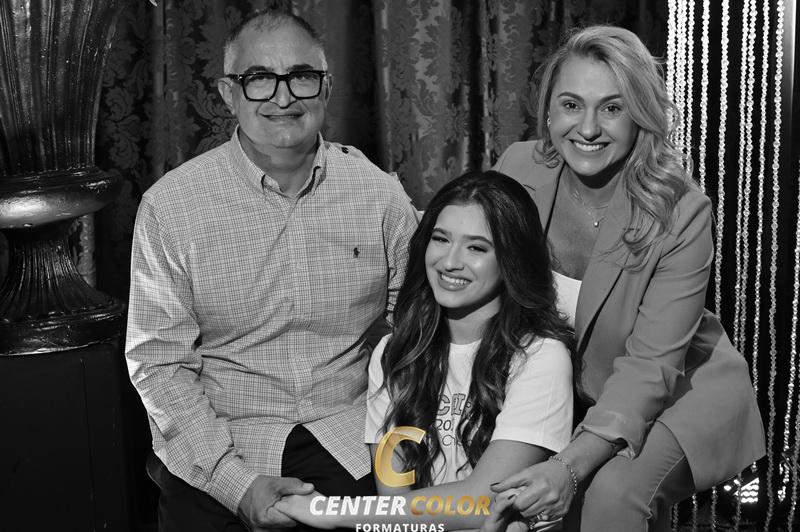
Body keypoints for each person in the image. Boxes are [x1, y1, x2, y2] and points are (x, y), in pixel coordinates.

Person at [124, 10, 418, 532]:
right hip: (220, 443)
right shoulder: (171, 208)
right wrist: (235, 483)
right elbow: (159, 365)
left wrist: (399, 430)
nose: (283, 98)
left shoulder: (379, 195)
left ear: (326, 87)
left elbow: (417, 327)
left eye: (301, 76)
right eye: (259, 79)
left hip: (350, 439)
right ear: (228, 93)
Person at [485, 25, 766, 532]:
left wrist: (569, 466)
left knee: (612, 494)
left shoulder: (681, 211)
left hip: (678, 390)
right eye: (571, 105)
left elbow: (650, 369)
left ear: (639, 116)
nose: (588, 128)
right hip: (570, 389)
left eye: (612, 108)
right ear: (548, 111)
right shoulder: (519, 168)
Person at [273, 170, 574, 530]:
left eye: (477, 247)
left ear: (512, 259)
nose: (450, 261)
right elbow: (394, 501)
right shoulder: (396, 352)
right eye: (441, 239)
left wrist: (331, 512)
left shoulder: (539, 356)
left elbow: (481, 502)